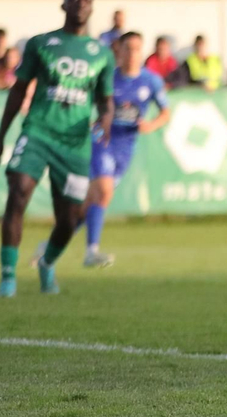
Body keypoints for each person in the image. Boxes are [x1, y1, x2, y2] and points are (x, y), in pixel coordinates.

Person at [0, 0, 115, 298]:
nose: (81, 4)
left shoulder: (102, 54)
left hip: (74, 143)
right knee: (19, 191)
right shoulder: (41, 44)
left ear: (92, 8)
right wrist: (1, 138)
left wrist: (105, 119)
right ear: (64, 5)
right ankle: (8, 277)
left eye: (87, 0)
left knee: (70, 218)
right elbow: (18, 91)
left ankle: (47, 262)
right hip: (38, 132)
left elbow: (106, 101)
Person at [35, 31, 167, 270]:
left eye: (137, 49)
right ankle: (91, 252)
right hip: (101, 141)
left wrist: (151, 124)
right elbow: (82, 100)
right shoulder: (107, 78)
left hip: (126, 148)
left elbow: (166, 112)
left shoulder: (151, 81)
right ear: (119, 50)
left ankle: (48, 246)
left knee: (89, 206)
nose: (132, 54)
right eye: (128, 48)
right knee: (104, 192)